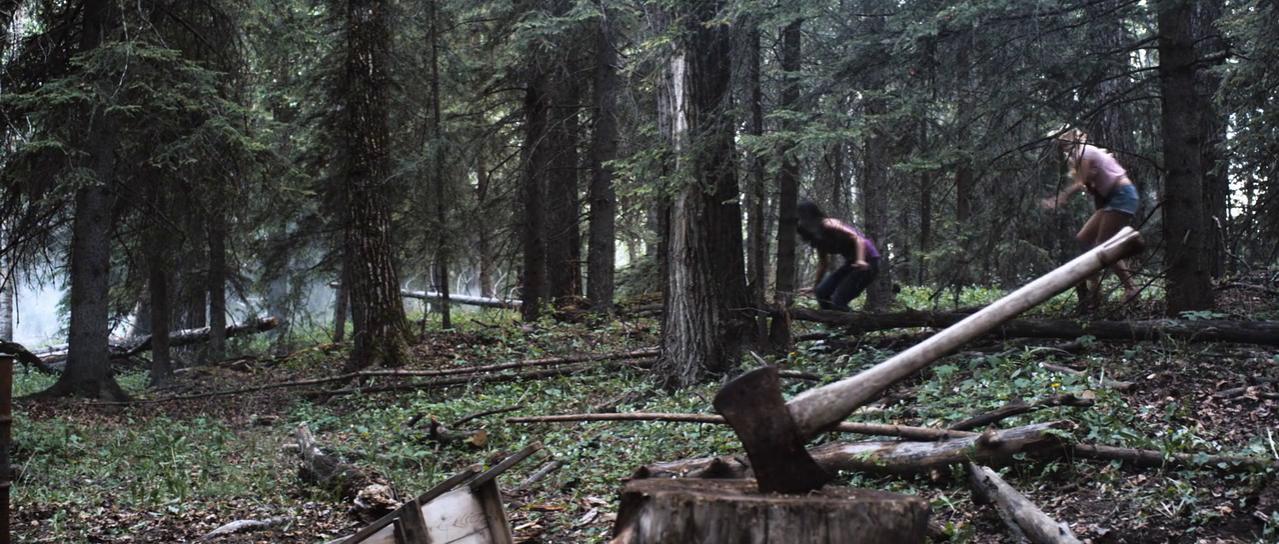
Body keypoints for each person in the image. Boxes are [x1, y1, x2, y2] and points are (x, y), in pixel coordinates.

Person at [1041, 127, 1139, 311]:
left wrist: (1061, 198)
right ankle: (1095, 290)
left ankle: (1131, 288)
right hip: (1111, 199)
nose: (1061, 145)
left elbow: (1080, 182)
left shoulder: (1085, 152)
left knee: (1104, 245)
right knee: (1084, 239)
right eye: (1060, 142)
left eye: (1063, 140)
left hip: (1123, 195)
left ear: (1072, 139)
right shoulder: (1078, 156)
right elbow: (1088, 182)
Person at [796, 200, 879, 312]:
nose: (801, 222)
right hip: (852, 263)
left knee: (838, 301)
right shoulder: (816, 237)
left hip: (868, 262)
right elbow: (823, 263)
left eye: (802, 218)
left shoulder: (829, 224)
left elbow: (859, 238)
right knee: (821, 293)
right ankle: (831, 321)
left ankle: (853, 320)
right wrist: (815, 286)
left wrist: (860, 260)